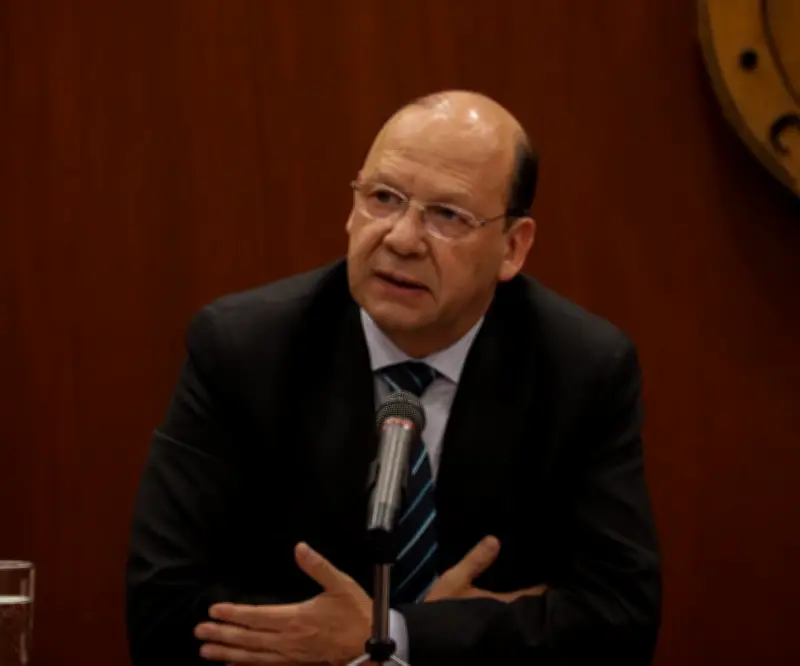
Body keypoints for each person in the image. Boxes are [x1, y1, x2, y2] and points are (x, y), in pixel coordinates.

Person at [125, 90, 661, 665]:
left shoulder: (579, 369)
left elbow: (620, 623)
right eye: (383, 198)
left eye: (448, 215)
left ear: (512, 247)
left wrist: (397, 638)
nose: (402, 239)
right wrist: (488, 632)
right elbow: (162, 608)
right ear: (352, 207)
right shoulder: (245, 350)